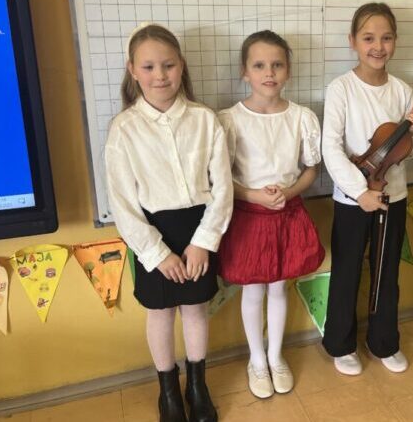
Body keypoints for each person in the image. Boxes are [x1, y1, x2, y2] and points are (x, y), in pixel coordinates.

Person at [105, 24, 232, 422]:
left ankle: (197, 386)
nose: (160, 75)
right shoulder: (124, 129)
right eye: (149, 67)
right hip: (151, 234)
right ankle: (168, 392)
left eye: (169, 65)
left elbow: (223, 188)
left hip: (199, 229)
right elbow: (123, 204)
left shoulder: (205, 119)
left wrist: (204, 242)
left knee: (195, 309)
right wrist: (157, 253)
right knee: (160, 312)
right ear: (133, 70)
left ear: (182, 65)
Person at [321, 2, 413, 376]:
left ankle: (383, 342)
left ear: (395, 41)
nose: (377, 46)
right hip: (352, 199)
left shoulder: (403, 90)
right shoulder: (341, 88)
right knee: (347, 271)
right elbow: (330, 148)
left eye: (386, 38)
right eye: (368, 38)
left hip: (392, 195)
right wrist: (358, 191)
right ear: (353, 41)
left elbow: (404, 152)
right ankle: (340, 344)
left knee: (386, 272)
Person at [218, 31, 325, 399]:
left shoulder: (301, 117)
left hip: (287, 211)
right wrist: (253, 195)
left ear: (288, 71)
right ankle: (257, 360)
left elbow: (311, 168)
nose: (269, 72)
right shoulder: (229, 119)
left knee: (279, 286)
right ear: (245, 71)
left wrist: (288, 193)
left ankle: (277, 356)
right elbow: (220, 177)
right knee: (252, 288)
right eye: (259, 65)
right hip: (248, 216)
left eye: (277, 65)